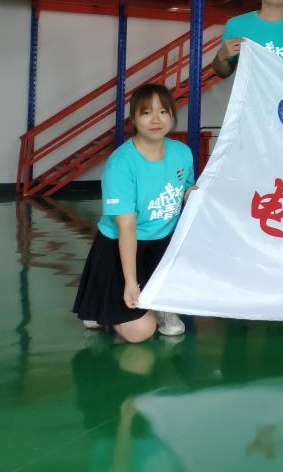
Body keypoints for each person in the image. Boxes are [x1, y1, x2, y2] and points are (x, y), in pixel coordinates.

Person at [73, 84, 195, 343]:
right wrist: (130, 281)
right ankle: (103, 303)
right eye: (146, 113)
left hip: (163, 244)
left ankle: (159, 305)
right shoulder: (121, 163)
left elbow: (186, 188)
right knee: (141, 332)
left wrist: (192, 193)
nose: (156, 120)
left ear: (172, 115)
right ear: (134, 119)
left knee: (165, 322)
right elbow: (126, 227)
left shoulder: (182, 153)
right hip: (124, 244)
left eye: (163, 111)